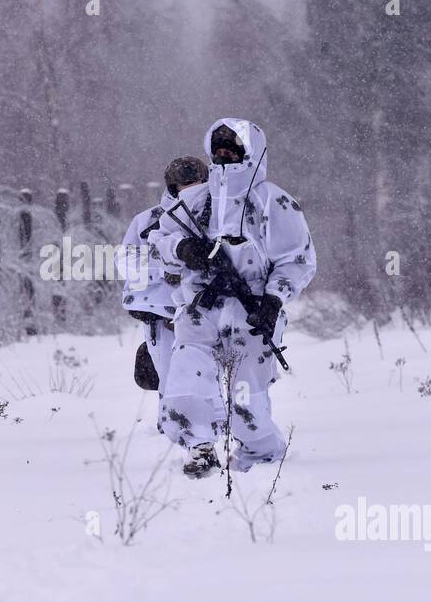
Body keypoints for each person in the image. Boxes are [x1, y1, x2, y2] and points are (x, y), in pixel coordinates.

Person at [150, 119, 316, 478]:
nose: (225, 153)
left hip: (251, 310)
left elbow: (297, 260)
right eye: (219, 146)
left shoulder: (273, 201)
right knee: (187, 376)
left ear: (251, 152)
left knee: (246, 398)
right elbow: (158, 240)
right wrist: (183, 248)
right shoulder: (195, 200)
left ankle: (263, 460)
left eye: (234, 147)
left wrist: (272, 301)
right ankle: (200, 448)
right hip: (200, 309)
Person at [120, 157, 208, 424]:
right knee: (170, 382)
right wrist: (167, 262)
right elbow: (126, 262)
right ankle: (175, 435)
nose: (190, 188)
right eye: (184, 184)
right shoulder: (149, 220)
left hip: (209, 313)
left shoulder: (220, 219)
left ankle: (214, 434)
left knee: (210, 382)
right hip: (163, 315)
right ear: (172, 187)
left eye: (195, 183)